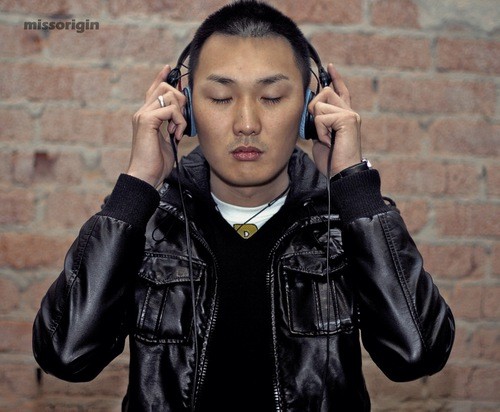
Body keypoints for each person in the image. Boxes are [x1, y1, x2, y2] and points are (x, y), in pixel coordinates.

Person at [33, 1, 455, 411]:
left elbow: (417, 353)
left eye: (271, 97)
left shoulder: (345, 222)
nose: (247, 124)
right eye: (221, 98)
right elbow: (66, 354)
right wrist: (138, 185)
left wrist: (353, 186)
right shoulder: (147, 222)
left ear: (310, 112)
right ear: (186, 109)